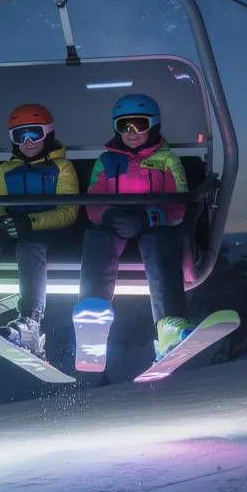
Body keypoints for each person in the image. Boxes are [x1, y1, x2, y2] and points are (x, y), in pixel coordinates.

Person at [79, 93, 196, 363]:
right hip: (116, 220)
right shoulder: (105, 161)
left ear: (154, 125)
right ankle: (92, 317)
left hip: (154, 223)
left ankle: (170, 325)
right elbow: (92, 202)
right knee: (97, 237)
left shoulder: (167, 160)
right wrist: (107, 216)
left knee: (158, 241)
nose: (131, 133)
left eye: (138, 125)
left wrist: (149, 217)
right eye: (124, 126)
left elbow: (180, 203)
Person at [0, 103, 79, 357]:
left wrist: (31, 222)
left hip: (49, 230)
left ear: (49, 134)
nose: (29, 141)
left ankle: (30, 320)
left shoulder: (62, 168)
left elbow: (68, 211)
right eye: (20, 135)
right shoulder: (7, 168)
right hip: (14, 226)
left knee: (30, 247)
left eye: (35, 133)